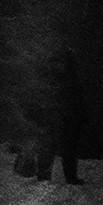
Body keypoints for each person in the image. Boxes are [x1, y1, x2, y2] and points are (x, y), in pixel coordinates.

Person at [30, 49, 90, 186]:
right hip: (55, 116)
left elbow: (77, 98)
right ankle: (44, 177)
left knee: (67, 148)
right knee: (48, 146)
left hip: (67, 117)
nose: (59, 65)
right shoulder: (53, 77)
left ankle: (69, 177)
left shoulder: (68, 77)